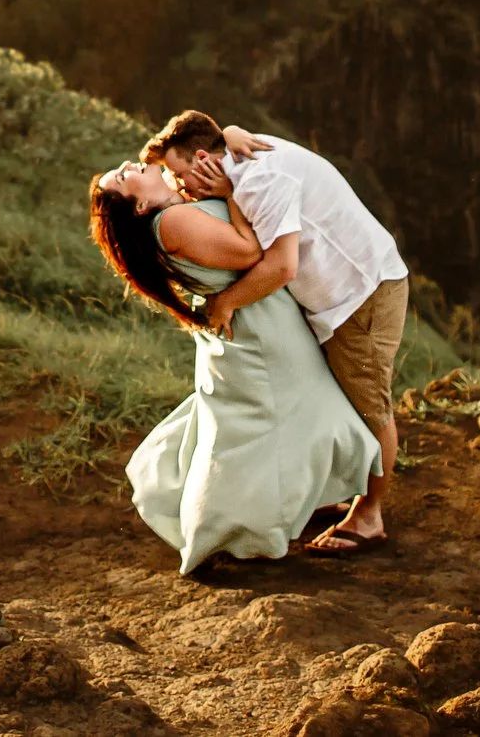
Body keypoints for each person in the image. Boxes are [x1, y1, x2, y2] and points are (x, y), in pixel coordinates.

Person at [88, 160, 382, 574]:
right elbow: (249, 252)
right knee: (279, 421)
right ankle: (226, 527)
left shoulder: (176, 213)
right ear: (138, 207)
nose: (127, 164)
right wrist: (230, 193)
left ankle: (292, 501)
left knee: (278, 419)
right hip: (261, 331)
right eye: (122, 177)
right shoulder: (171, 221)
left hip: (259, 320)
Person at [146, 111, 409, 555]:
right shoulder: (238, 158)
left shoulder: (255, 177)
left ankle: (370, 516)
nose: (180, 187)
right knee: (340, 400)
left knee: (369, 405)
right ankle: (346, 491)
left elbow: (282, 265)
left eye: (179, 173)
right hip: (343, 290)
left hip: (360, 294)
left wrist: (226, 302)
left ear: (206, 156)